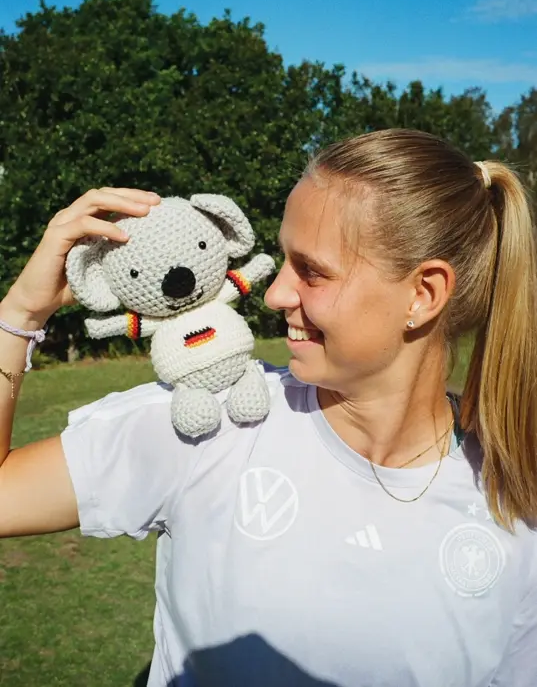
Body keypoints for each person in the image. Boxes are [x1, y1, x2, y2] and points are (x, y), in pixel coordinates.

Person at [0, 129, 536, 687]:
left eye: (313, 270)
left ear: (423, 294)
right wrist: (22, 310)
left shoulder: (512, 499)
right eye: (283, 260)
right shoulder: (212, 423)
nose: (276, 293)